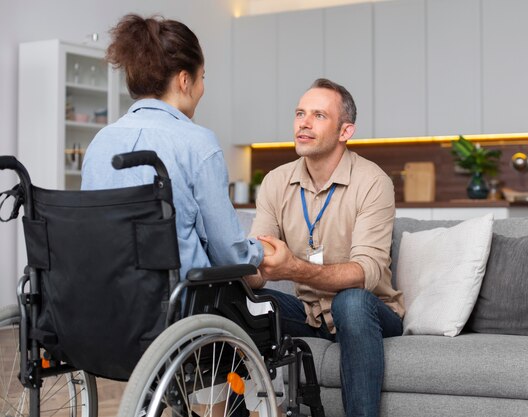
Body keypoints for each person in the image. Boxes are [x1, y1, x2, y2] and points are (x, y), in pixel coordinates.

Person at [249, 78, 405, 417]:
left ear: (345, 131)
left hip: (371, 312)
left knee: (350, 301)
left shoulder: (373, 182)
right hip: (310, 314)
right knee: (243, 302)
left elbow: (365, 273)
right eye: (300, 113)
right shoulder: (276, 181)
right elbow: (258, 269)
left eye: (319, 115)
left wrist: (292, 268)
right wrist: (235, 266)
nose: (303, 123)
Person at [81, 14, 264, 279]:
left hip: (108, 300)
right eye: (202, 77)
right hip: (181, 303)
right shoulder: (198, 142)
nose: (202, 88)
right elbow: (230, 255)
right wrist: (262, 251)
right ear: (184, 81)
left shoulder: (101, 141)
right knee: (284, 310)